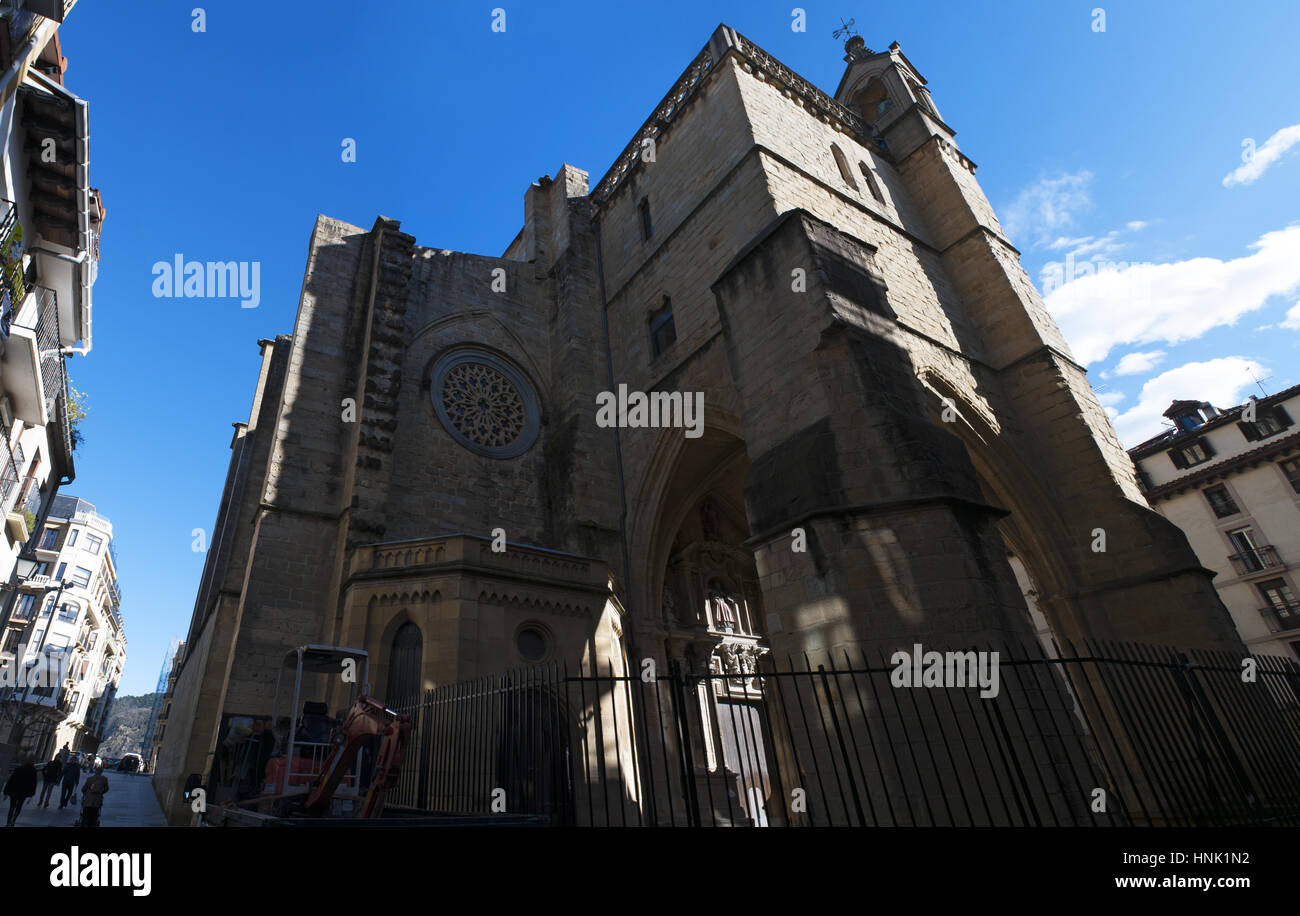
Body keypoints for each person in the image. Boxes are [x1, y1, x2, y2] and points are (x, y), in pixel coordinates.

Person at [4, 756, 38, 826]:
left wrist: (6, 791)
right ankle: (13, 821)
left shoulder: (19, 768)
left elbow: (11, 780)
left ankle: (8, 823)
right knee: (19, 806)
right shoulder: (33, 771)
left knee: (12, 806)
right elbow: (34, 783)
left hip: (14, 790)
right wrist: (32, 793)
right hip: (24, 792)